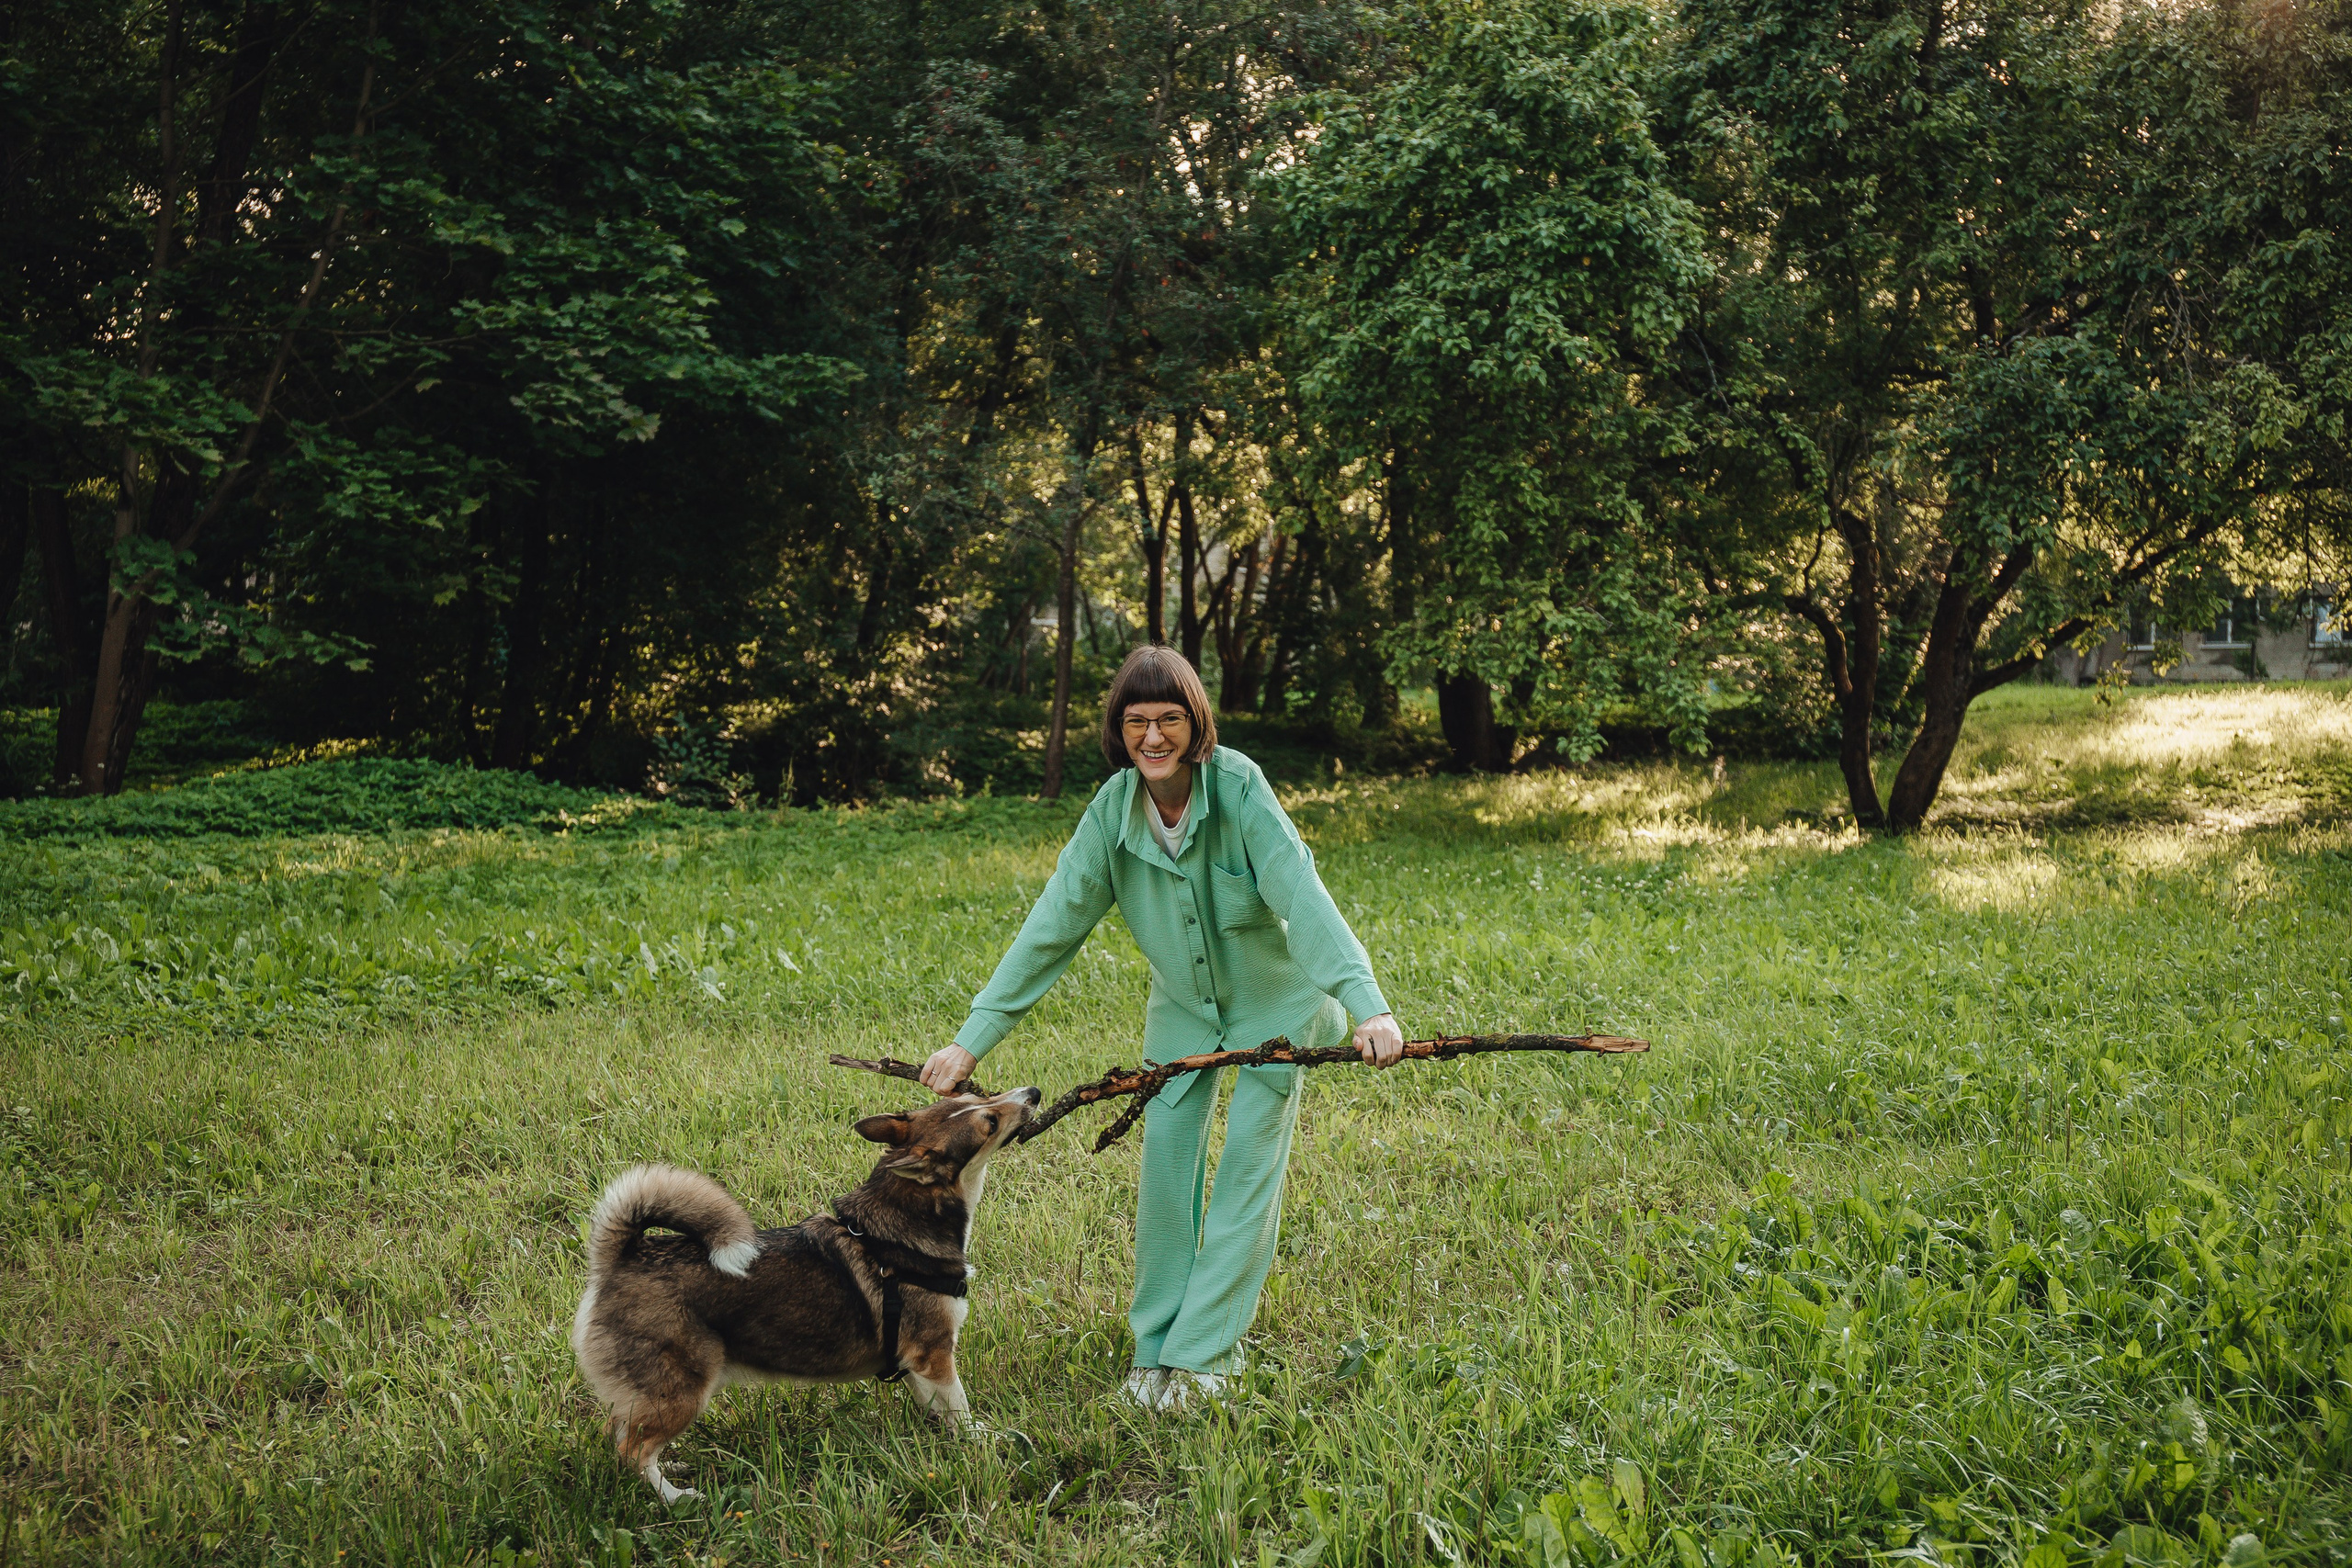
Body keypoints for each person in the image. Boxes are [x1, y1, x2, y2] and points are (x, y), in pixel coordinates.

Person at [920, 646, 1404, 1411]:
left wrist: (1368, 1001)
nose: (1153, 736)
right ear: (1118, 728)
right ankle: (1155, 1350)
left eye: (1169, 718)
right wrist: (969, 1040)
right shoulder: (1112, 811)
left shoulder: (1239, 786)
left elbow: (1303, 894)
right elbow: (1050, 930)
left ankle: (1207, 1352)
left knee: (1245, 1168)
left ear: (1194, 721)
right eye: (1136, 720)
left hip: (1279, 1008)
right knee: (1165, 1171)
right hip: (1183, 1009)